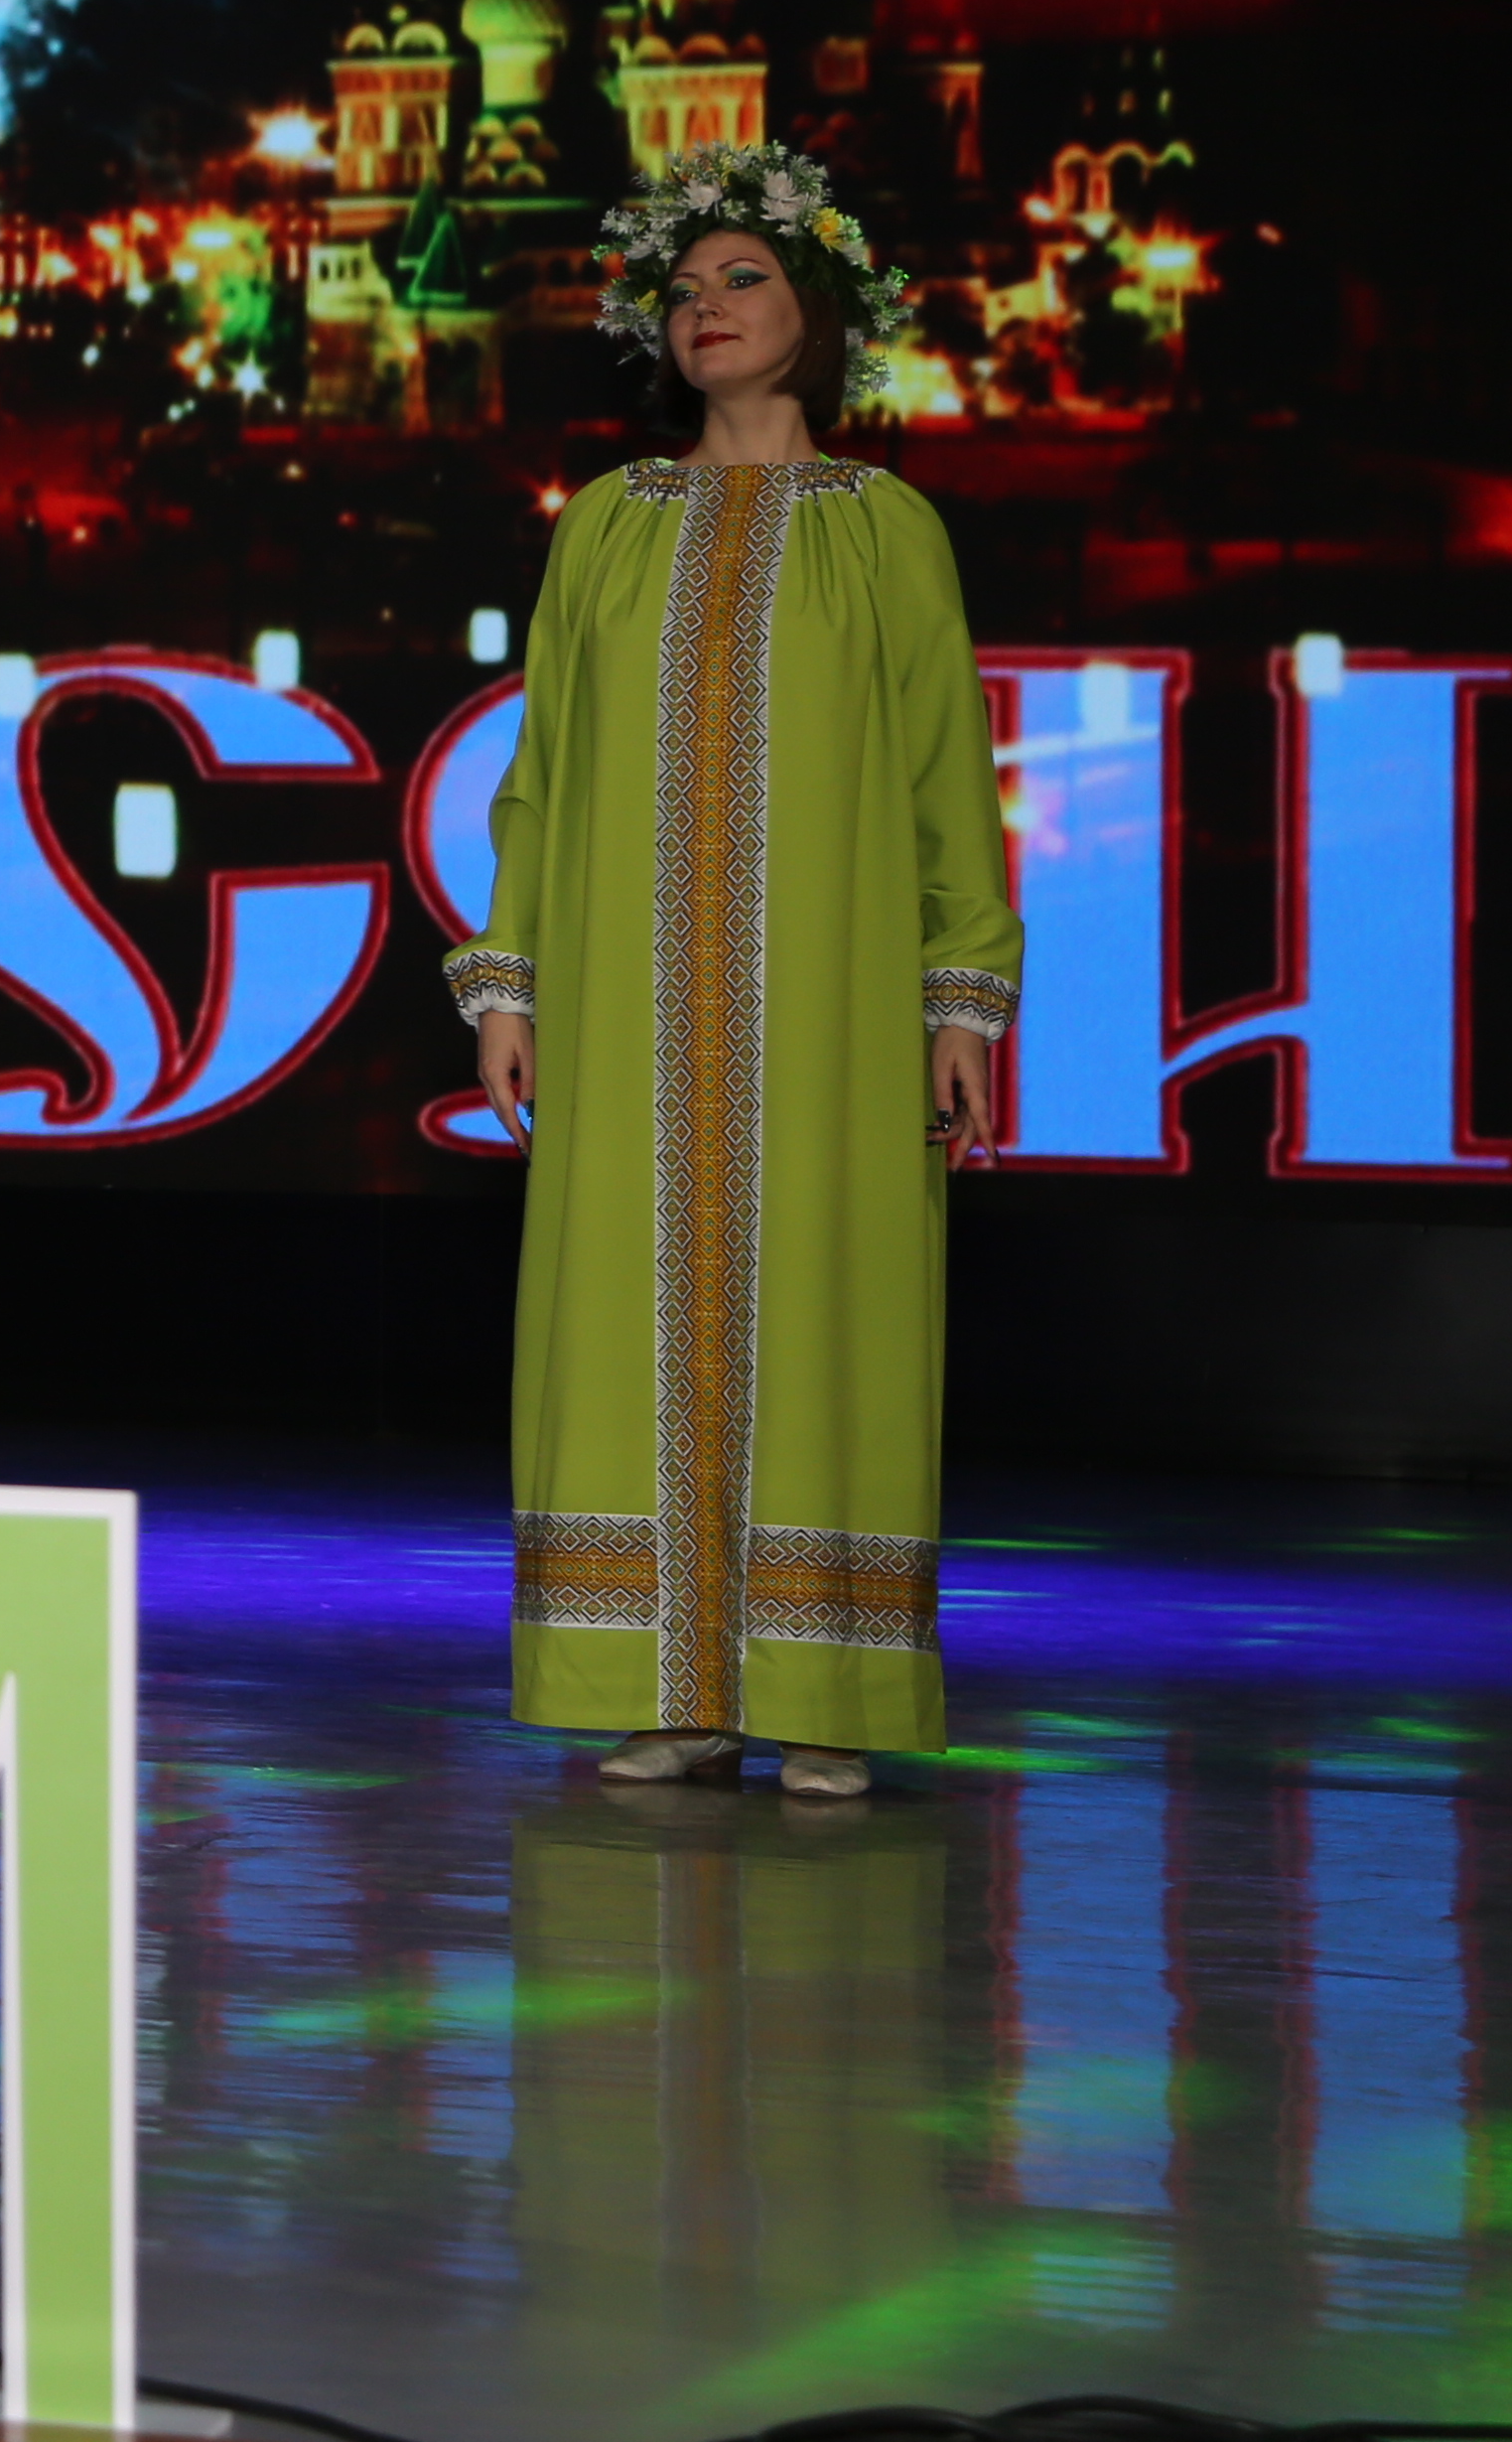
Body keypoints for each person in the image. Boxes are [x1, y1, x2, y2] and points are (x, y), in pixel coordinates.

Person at [442, 148, 1015, 1802]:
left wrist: (961, 995)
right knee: (626, 1302)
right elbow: (544, 770)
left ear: (815, 310)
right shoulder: (608, 526)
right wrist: (507, 980)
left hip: (832, 1004)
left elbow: (947, 775)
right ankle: (671, 1683)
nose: (706, 308)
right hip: (625, 1004)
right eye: (683, 290)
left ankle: (823, 1682)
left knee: (832, 1296)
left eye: (742, 279)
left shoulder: (887, 529)